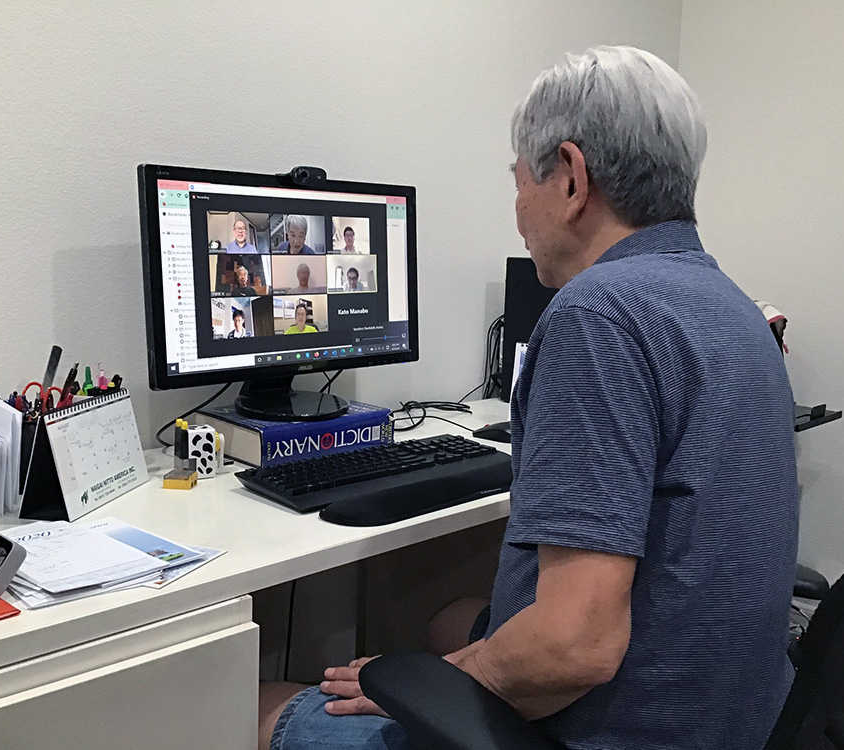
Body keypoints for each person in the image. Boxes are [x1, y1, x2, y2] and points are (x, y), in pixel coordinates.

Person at [259, 45, 798, 750]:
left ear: (571, 177)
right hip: (732, 713)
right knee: (448, 614)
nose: (518, 211)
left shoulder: (597, 315)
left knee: (262, 702)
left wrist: (441, 679)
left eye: (519, 182)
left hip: (614, 728)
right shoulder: (732, 304)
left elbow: (576, 648)